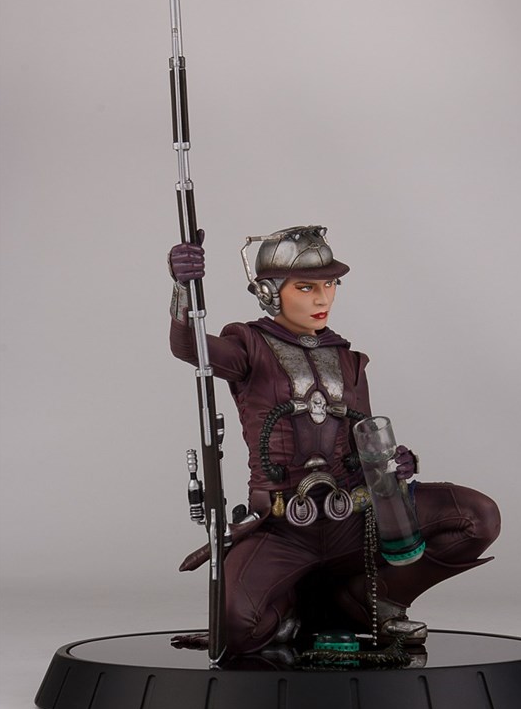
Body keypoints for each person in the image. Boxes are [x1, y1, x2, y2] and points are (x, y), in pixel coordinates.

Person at [169, 225, 500, 655]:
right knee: (236, 628)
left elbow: (364, 441)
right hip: (284, 527)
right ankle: (297, 609)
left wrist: (394, 463)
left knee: (477, 516)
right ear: (269, 293)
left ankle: (372, 600)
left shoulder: (346, 358)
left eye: (329, 285)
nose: (322, 299)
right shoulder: (249, 346)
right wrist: (183, 287)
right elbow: (189, 346)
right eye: (306, 287)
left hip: (353, 519)